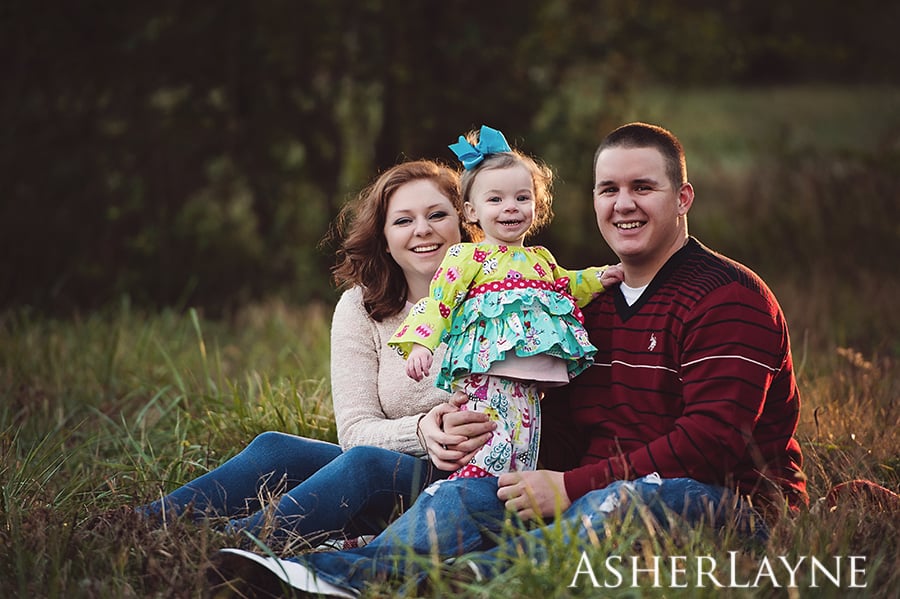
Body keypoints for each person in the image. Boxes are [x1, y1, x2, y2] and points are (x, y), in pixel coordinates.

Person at [211, 122, 809, 596]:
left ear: (683, 197)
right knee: (466, 492)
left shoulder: (727, 297)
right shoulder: (580, 307)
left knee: (612, 503)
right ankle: (337, 574)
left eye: (642, 187)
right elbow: (561, 421)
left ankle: (469, 583)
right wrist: (491, 456)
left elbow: (715, 441)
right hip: (577, 492)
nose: (623, 204)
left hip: (716, 503)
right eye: (609, 189)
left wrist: (570, 486)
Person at [137, 159, 495, 546]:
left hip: (465, 483)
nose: (422, 230)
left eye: (437, 214)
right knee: (276, 448)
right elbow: (355, 431)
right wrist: (421, 430)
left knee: (364, 465)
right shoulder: (361, 307)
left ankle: (230, 547)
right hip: (394, 470)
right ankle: (138, 525)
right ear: (385, 240)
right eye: (403, 221)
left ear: (464, 222)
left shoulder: (500, 297)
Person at [390, 125, 622, 480]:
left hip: (529, 388)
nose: (510, 208)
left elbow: (568, 285)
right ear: (471, 211)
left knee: (520, 456)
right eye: (495, 200)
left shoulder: (542, 260)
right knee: (484, 454)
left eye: (522, 198)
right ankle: (449, 504)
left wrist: (599, 277)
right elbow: (439, 303)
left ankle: (497, 517)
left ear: (537, 204)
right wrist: (421, 343)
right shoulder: (468, 258)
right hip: (487, 380)